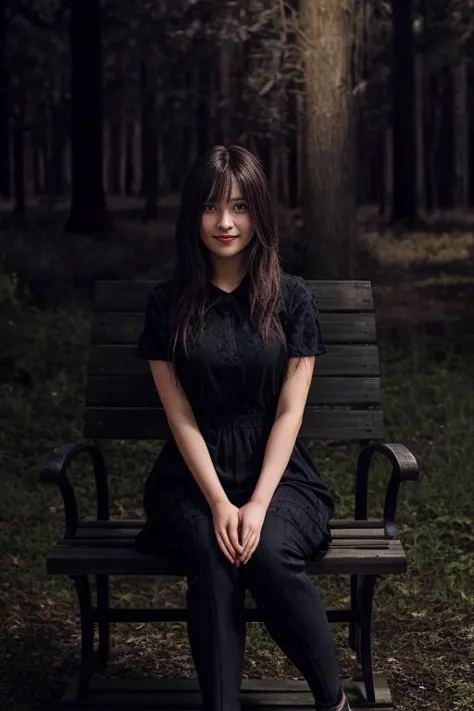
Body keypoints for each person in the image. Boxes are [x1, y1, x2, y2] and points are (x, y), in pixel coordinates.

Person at [135, 145, 352, 711]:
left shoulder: (292, 298)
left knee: (266, 550)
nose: (225, 222)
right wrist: (217, 501)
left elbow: (289, 411)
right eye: (211, 207)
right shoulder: (168, 304)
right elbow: (178, 412)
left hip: (279, 478)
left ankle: (334, 702)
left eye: (238, 206)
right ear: (193, 216)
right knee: (213, 549)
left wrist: (255, 504)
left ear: (259, 211)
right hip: (191, 478)